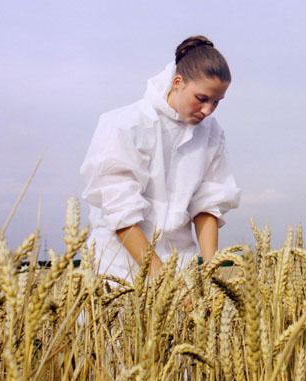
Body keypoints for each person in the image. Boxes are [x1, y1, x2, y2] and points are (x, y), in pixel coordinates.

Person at [80, 36, 240, 280]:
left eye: (216, 102)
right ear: (178, 82)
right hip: (119, 271)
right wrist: (162, 279)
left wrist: (211, 272)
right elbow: (120, 212)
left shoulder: (211, 134)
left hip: (180, 269)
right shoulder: (125, 125)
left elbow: (208, 203)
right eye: (202, 98)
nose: (208, 110)